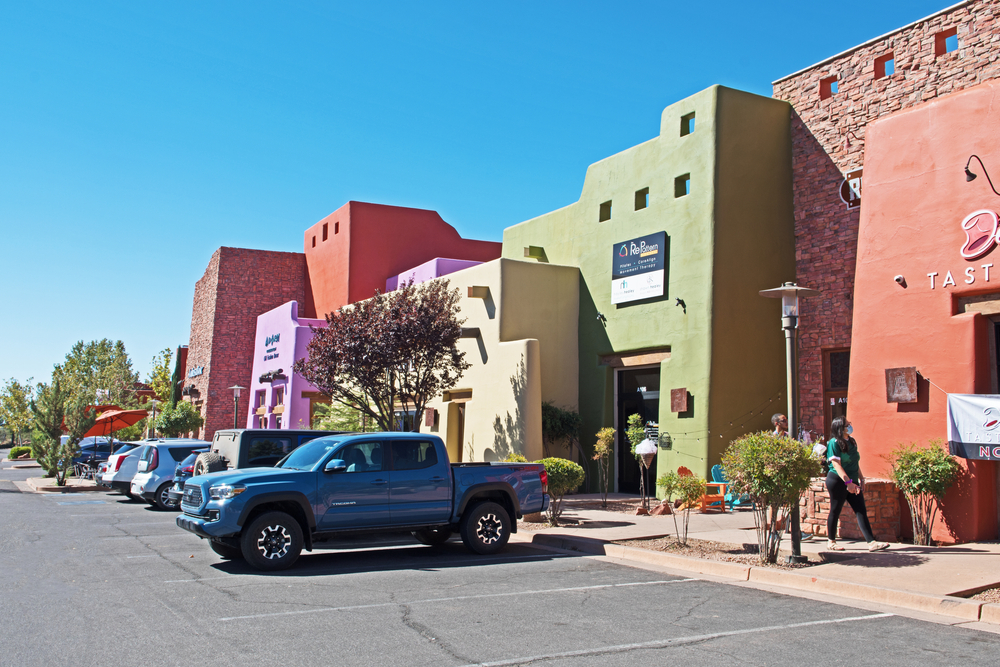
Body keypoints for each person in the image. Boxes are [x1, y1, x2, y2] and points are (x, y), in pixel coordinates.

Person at [825, 416, 889, 552]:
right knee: (835, 510)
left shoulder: (852, 441)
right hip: (837, 480)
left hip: (852, 480)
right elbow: (836, 465)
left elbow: (855, 463)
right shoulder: (834, 443)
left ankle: (872, 542)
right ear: (840, 428)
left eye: (849, 424)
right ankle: (831, 541)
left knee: (860, 510)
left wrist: (861, 479)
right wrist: (848, 483)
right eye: (847, 425)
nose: (849, 426)